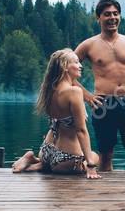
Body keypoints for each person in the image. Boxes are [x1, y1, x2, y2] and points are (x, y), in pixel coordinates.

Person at [74, 0, 125, 171]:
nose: (112, 18)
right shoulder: (89, 45)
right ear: (98, 18)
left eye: (116, 14)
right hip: (103, 103)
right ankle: (106, 196)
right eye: (107, 14)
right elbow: (65, 72)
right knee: (105, 156)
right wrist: (88, 97)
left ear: (120, 16)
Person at [12, 49, 101, 179]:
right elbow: (81, 130)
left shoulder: (49, 90)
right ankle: (36, 164)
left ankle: (34, 162)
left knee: (51, 164)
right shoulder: (74, 92)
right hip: (67, 158)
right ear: (65, 67)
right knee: (95, 157)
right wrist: (91, 165)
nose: (80, 66)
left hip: (46, 151)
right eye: (76, 62)